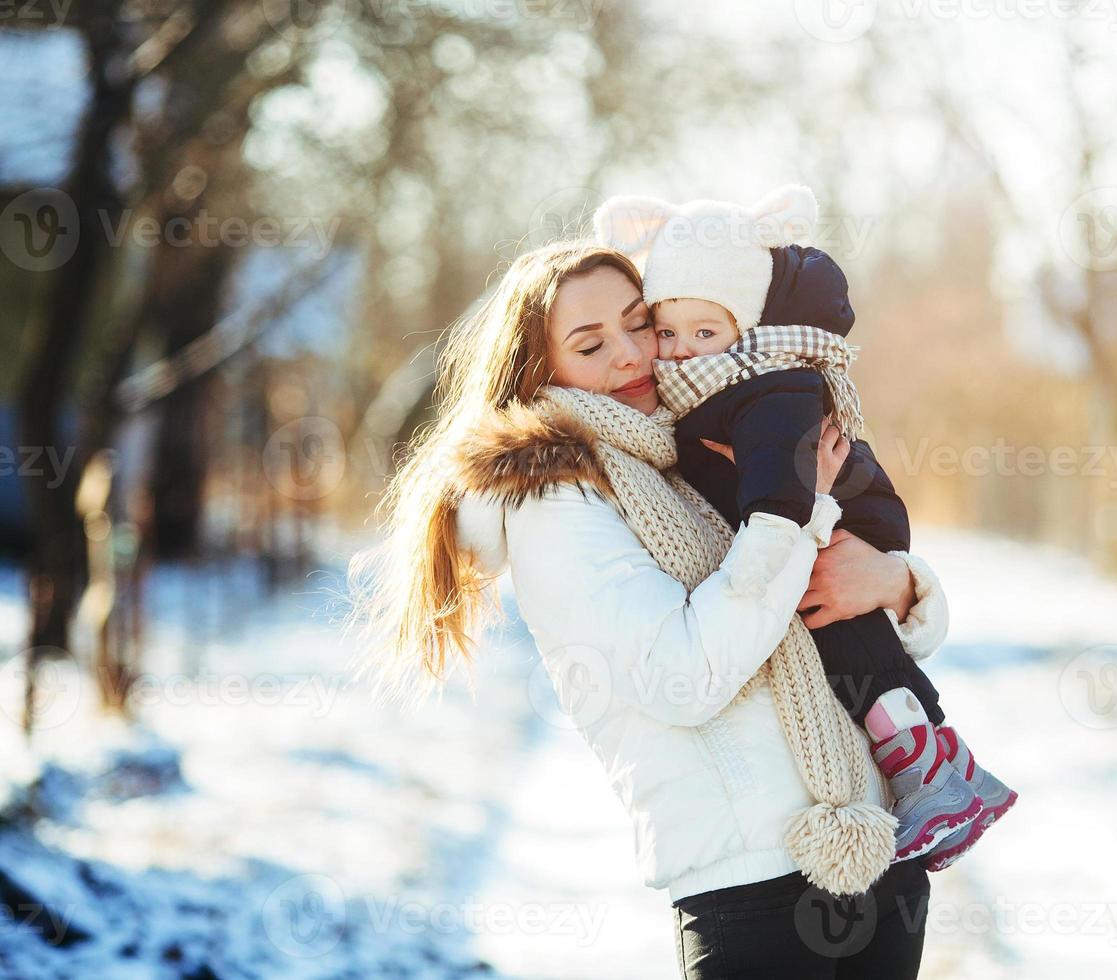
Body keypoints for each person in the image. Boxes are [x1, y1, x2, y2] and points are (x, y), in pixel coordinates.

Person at [349, 240, 950, 977]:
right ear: (541, 368)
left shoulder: (699, 447)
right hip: (755, 886)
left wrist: (897, 583)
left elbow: (854, 625)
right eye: (590, 343)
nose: (632, 355)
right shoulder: (558, 502)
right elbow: (685, 677)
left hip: (877, 849)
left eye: (640, 324)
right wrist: (800, 515)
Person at [591, 185, 1017, 870]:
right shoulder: (642, 437)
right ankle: (941, 769)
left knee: (846, 634)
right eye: (666, 333)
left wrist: (892, 579)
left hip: (845, 532)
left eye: (702, 334)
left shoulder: (757, 383)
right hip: (751, 842)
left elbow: (793, 495)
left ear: (742, 327)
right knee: (837, 623)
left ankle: (931, 770)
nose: (669, 354)